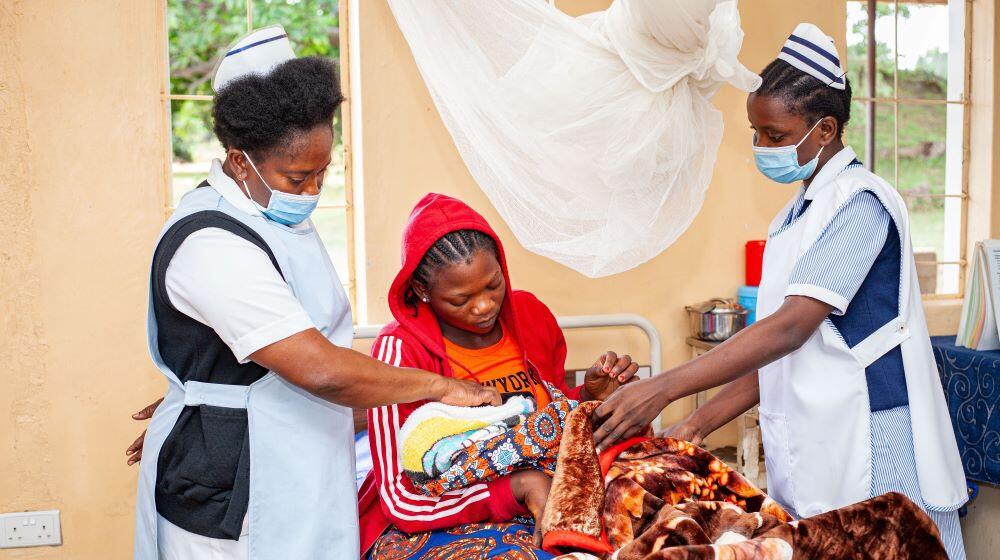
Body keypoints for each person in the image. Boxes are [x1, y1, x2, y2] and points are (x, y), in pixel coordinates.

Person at [590, 23, 968, 559]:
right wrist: (696, 424)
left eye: (776, 135)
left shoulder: (862, 205)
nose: (762, 147)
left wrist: (664, 387)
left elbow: (790, 328)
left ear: (826, 129)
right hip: (818, 434)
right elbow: (774, 356)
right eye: (756, 133)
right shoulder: (792, 219)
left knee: (895, 541)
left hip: (873, 431)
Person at [133, 27, 498, 560]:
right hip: (234, 491)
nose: (312, 192)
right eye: (298, 177)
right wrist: (441, 387)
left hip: (296, 455)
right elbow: (319, 366)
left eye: (323, 173)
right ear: (240, 161)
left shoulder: (272, 217)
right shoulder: (210, 241)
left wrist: (205, 394)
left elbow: (274, 350)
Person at [358, 193, 640, 559]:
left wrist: (588, 395)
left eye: (494, 285)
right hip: (435, 516)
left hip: (546, 490)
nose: (484, 306)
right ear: (421, 290)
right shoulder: (400, 352)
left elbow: (545, 427)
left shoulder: (531, 317)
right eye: (461, 299)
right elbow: (400, 498)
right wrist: (514, 489)